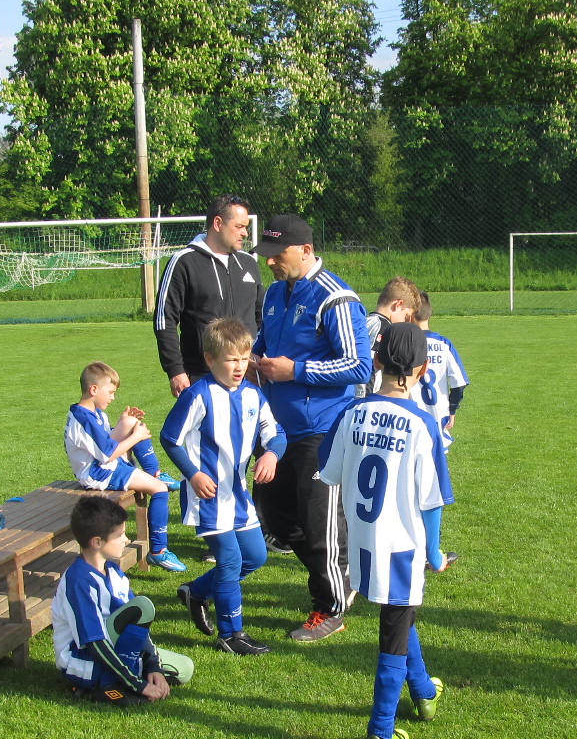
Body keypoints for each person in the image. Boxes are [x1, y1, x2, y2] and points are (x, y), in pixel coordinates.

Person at [319, 322, 454, 739]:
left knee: (400, 612)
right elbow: (432, 501)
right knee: (394, 629)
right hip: (401, 546)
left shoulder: (351, 413)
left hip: (362, 542)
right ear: (422, 369)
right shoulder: (422, 424)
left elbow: (330, 472)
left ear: (376, 361)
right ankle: (381, 731)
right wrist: (434, 552)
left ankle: (424, 692)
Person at [251, 213, 373, 641]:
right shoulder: (274, 293)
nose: (269, 262)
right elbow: (265, 343)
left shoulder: (335, 298)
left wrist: (295, 371)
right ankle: (343, 574)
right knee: (274, 517)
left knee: (320, 523)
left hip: (323, 428)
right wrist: (250, 360)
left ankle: (331, 606)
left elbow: (358, 365)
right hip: (277, 430)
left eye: (276, 254)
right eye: (266, 254)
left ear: (305, 250)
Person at [160, 318, 286, 656]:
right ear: (210, 359)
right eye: (231, 360)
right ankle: (231, 634)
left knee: (255, 556)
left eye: (244, 358)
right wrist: (193, 474)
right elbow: (170, 438)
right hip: (208, 495)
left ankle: (197, 592)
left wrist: (271, 454)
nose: (239, 367)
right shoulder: (198, 395)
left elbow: (276, 433)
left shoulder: (253, 395)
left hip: (238, 494)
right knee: (230, 560)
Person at [53, 495, 194, 704]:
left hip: (117, 647)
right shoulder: (78, 580)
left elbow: (138, 626)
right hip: (84, 658)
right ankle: (107, 685)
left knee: (184, 669)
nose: (126, 540)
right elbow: (95, 642)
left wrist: (153, 666)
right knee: (142, 607)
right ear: (97, 542)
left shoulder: (113, 571)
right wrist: (138, 685)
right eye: (119, 535)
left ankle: (128, 675)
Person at [63, 360, 186, 573]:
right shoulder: (84, 419)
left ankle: (156, 473)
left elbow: (106, 442)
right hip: (98, 474)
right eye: (110, 392)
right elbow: (107, 454)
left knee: (133, 424)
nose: (113, 397)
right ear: (94, 390)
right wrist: (135, 436)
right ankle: (158, 551)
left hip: (103, 464)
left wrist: (124, 424)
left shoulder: (91, 412)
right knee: (159, 490)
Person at [154, 194, 263, 398]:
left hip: (246, 376)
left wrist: (255, 356)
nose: (245, 233)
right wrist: (175, 370)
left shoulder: (248, 263)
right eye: (239, 226)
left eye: (246, 227)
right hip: (201, 376)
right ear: (218, 223)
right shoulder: (184, 262)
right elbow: (164, 320)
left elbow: (260, 315)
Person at [414, 291, 469, 572]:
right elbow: (459, 384)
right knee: (431, 492)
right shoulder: (443, 344)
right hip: (435, 428)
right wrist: (453, 410)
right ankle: (431, 553)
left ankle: (418, 547)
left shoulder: (403, 341)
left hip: (407, 424)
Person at [358, 276, 422, 397]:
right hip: (367, 397)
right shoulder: (384, 328)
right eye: (406, 316)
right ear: (398, 304)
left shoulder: (364, 322)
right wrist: (368, 398)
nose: (406, 322)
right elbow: (369, 364)